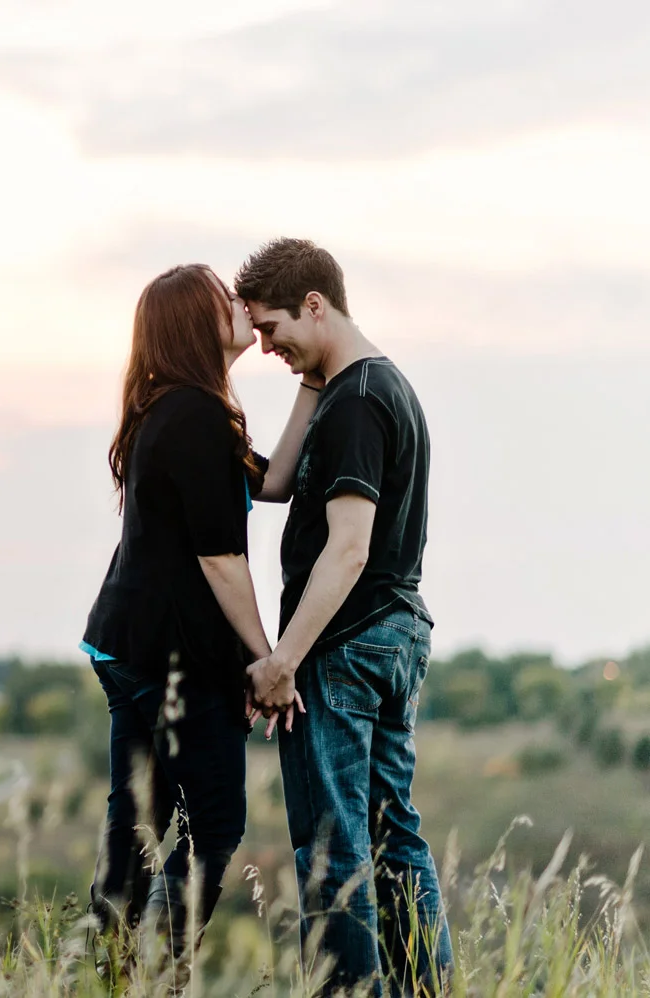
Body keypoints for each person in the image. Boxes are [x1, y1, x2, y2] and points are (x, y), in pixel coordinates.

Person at [239, 238, 452, 996]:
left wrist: (283, 660)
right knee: (394, 836)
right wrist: (309, 373)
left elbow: (349, 548)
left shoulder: (358, 401)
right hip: (394, 638)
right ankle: (426, 987)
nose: (265, 347)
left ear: (315, 305)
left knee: (334, 848)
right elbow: (276, 482)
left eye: (271, 330)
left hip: (348, 646)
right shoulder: (363, 386)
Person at [80, 263, 307, 969]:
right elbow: (221, 561)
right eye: (222, 300)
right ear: (191, 323)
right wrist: (268, 661)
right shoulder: (195, 416)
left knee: (139, 826)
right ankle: (157, 971)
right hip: (168, 656)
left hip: (127, 647)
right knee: (212, 825)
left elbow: (274, 481)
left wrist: (313, 384)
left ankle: (113, 973)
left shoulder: (176, 411)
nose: (239, 306)